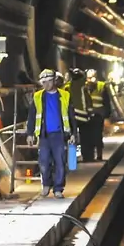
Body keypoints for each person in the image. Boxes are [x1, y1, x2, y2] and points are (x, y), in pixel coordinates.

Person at [26, 69, 76, 198]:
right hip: (44, 135)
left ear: (54, 81)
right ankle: (46, 185)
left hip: (60, 135)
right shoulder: (37, 96)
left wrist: (73, 134)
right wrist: (30, 133)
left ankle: (58, 188)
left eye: (49, 81)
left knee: (60, 162)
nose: (46, 85)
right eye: (44, 82)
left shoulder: (65, 95)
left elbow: (71, 116)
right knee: (44, 162)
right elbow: (31, 116)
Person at [63, 68, 93, 160]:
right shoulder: (83, 87)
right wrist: (90, 113)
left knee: (72, 137)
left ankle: (72, 160)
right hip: (83, 117)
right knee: (86, 138)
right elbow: (88, 101)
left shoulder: (67, 87)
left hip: (71, 116)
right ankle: (88, 157)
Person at [85, 69, 112, 161]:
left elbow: (107, 102)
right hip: (87, 116)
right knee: (89, 136)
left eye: (92, 77)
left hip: (98, 115)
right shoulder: (84, 87)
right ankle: (90, 155)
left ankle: (99, 155)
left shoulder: (101, 86)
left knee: (97, 135)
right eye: (89, 78)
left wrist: (107, 117)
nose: (91, 80)